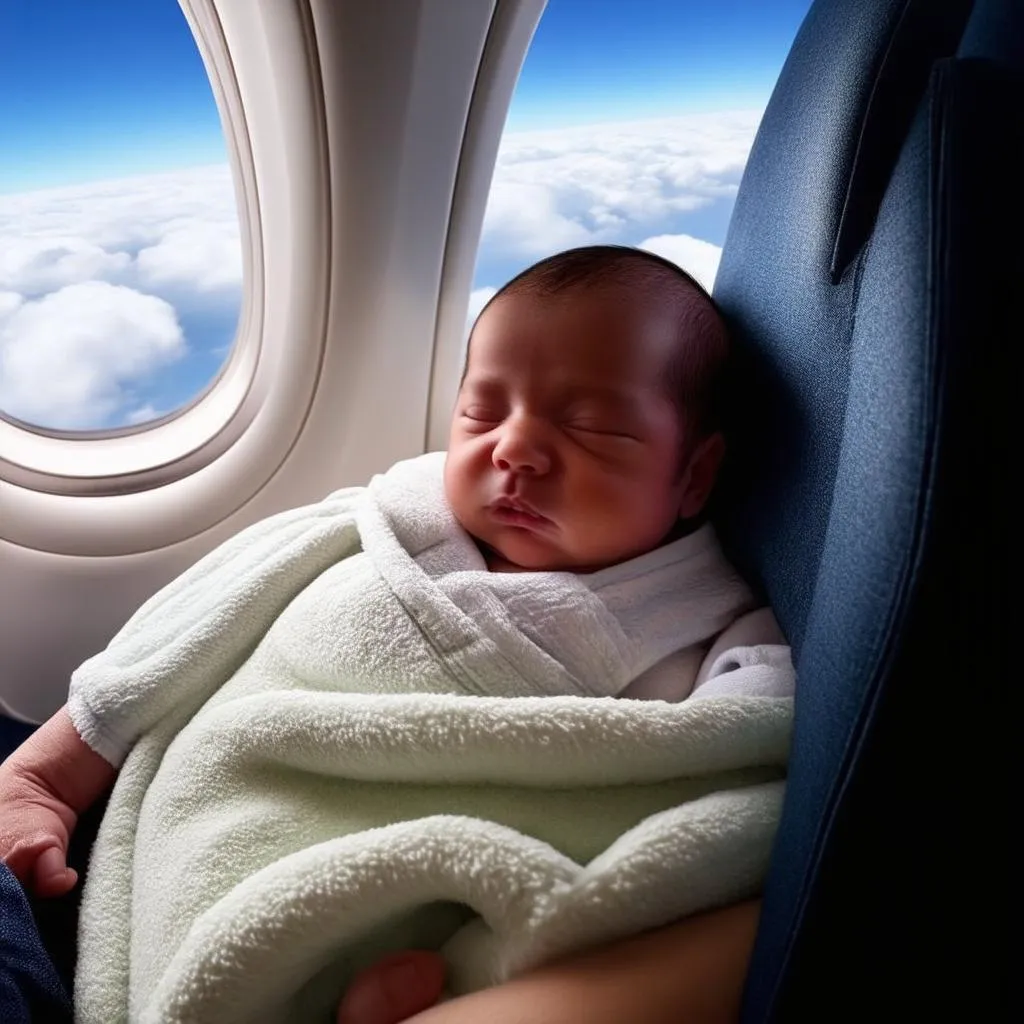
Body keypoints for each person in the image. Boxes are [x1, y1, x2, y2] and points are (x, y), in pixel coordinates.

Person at [0, 245, 792, 1021]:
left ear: (694, 474)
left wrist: (492, 973)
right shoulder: (384, 526)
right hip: (216, 806)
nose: (512, 448)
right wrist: (43, 779)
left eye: (590, 428)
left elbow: (732, 771)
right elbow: (193, 625)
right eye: (482, 412)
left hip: (384, 905)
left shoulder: (703, 625)